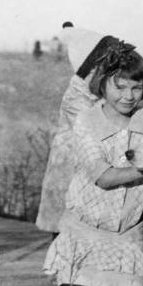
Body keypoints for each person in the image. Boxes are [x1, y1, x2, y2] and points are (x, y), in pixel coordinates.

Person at [43, 41, 143, 286]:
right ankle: (78, 281)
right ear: (102, 85)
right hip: (86, 230)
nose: (128, 96)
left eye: (136, 88)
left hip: (126, 235)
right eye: (119, 87)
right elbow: (104, 178)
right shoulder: (87, 121)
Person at [36, 23, 118, 235]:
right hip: (71, 162)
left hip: (88, 164)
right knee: (65, 213)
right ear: (88, 71)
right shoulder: (76, 96)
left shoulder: (97, 93)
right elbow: (91, 126)